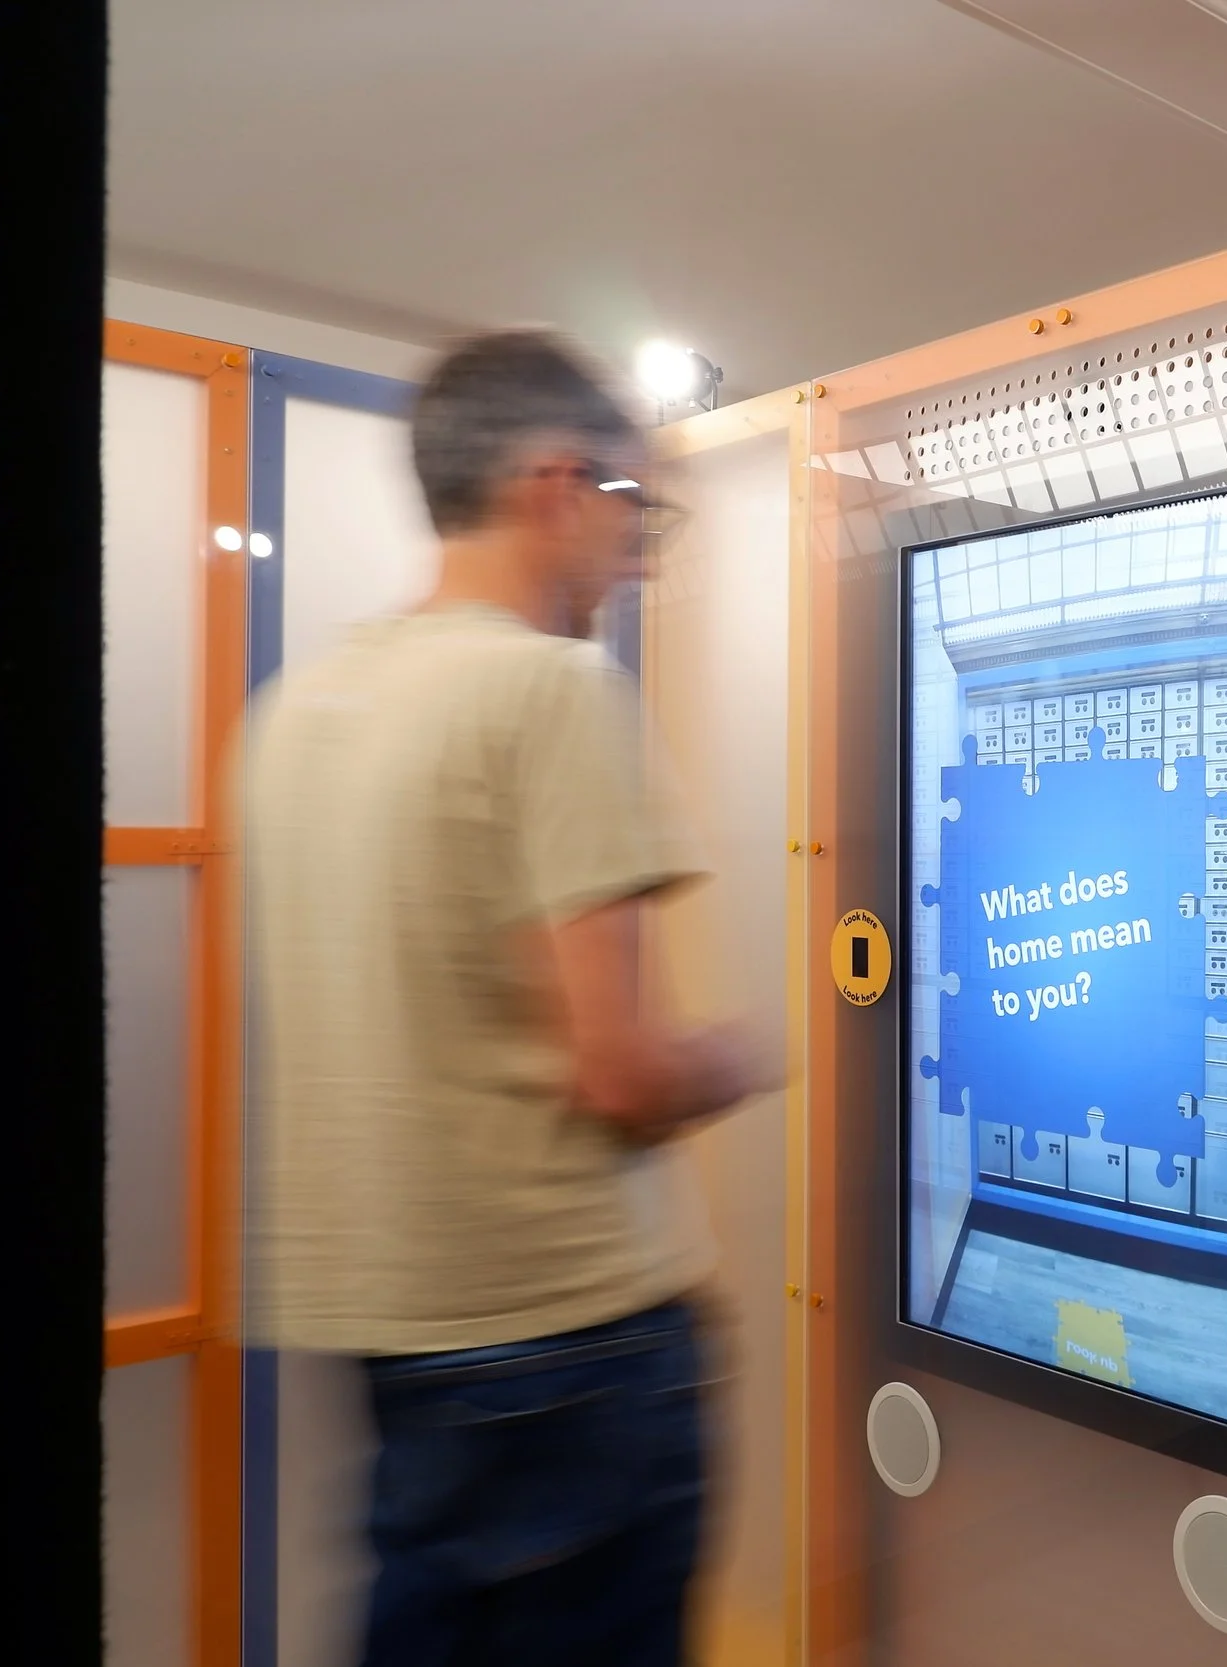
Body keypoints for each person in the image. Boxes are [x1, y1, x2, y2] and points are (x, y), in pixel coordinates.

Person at [243, 327, 778, 1665]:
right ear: (555, 482)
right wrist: (745, 1052)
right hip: (568, 1346)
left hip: (394, 1343)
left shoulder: (295, 714)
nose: (641, 550)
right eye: (633, 506)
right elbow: (621, 1072)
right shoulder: (546, 690)